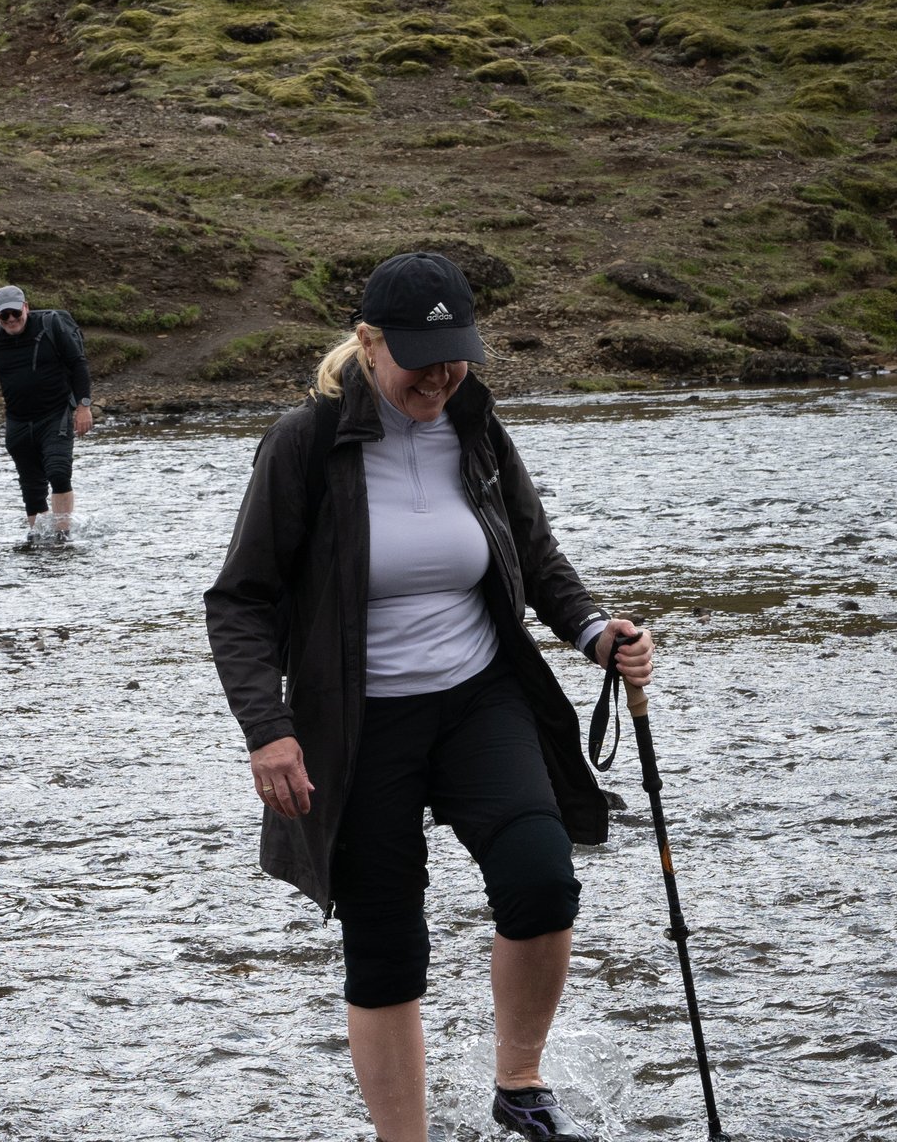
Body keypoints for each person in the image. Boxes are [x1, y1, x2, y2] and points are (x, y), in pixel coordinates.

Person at [204, 251, 654, 1142]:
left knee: (541, 880)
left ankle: (519, 1084)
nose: (442, 377)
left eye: (456, 357)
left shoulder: (478, 433)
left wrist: (599, 631)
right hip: (358, 726)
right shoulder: (305, 445)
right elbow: (241, 602)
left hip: (478, 698)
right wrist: (270, 731)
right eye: (422, 358)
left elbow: (536, 557)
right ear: (369, 345)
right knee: (387, 951)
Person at [0, 285, 92, 535]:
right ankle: (40, 538)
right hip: (18, 421)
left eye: (15, 313)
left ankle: (62, 536)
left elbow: (78, 365)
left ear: (26, 308)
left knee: (58, 471)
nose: (11, 320)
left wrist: (83, 407)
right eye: (4, 315)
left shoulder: (50, 327)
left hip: (55, 414)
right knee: (31, 487)